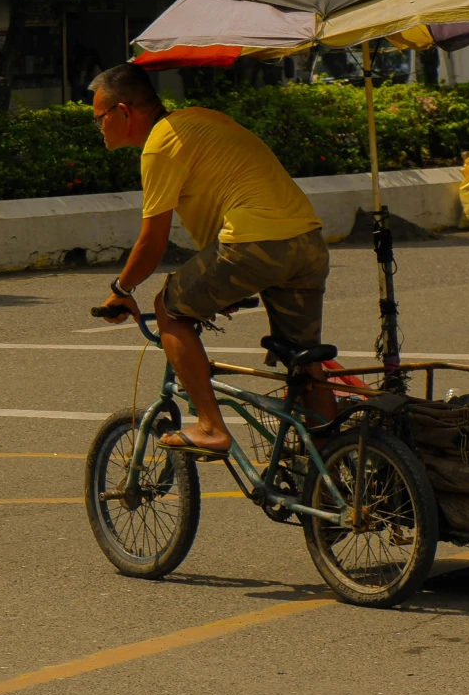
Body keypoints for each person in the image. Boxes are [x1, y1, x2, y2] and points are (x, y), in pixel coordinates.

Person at [91, 63, 332, 455]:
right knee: (305, 362)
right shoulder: (201, 119)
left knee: (169, 307)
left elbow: (151, 244)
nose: (99, 128)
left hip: (255, 244)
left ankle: (210, 425)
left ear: (123, 112)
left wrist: (121, 290)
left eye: (98, 118)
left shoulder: (161, 144)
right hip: (307, 243)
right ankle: (332, 475)